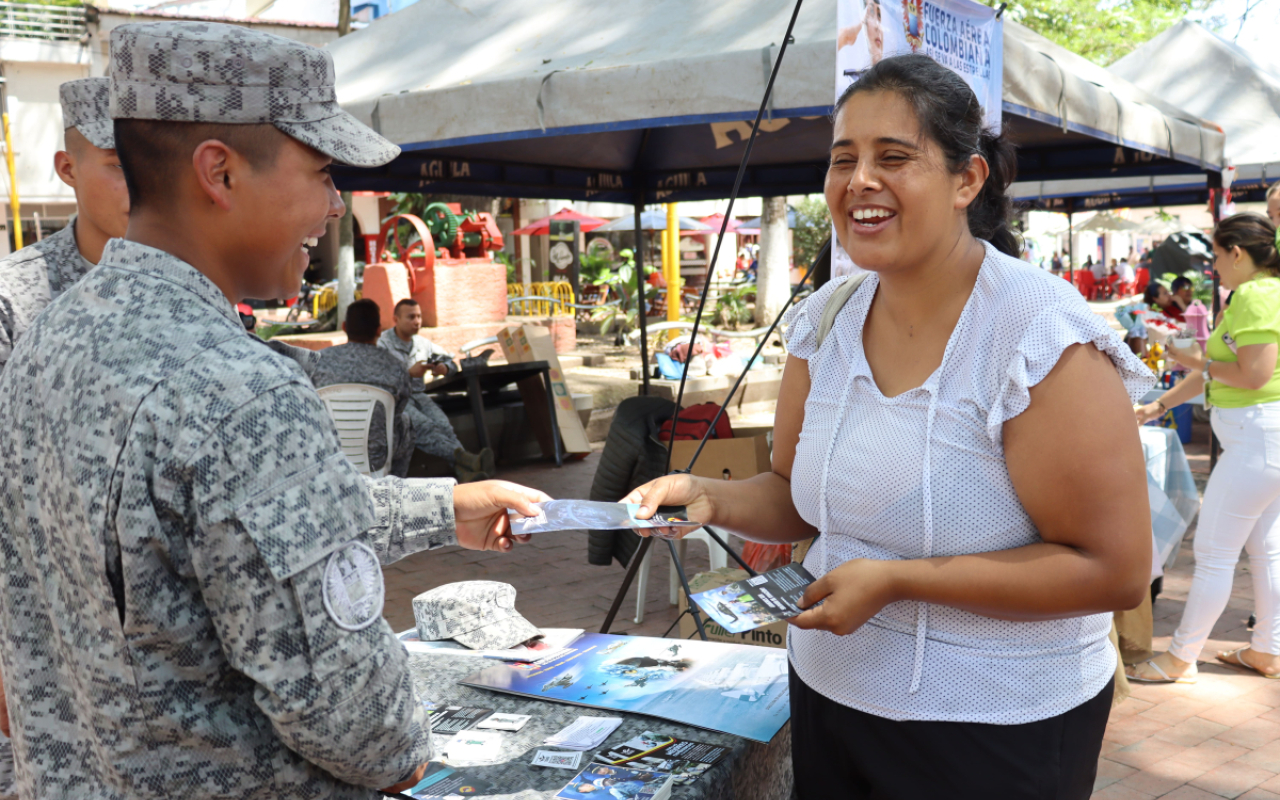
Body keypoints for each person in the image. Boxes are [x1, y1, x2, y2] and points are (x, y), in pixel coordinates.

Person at [0, 22, 551, 799]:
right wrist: (401, 742)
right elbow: (359, 723)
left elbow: (228, 525)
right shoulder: (240, 388)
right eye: (324, 172)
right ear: (218, 173)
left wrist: (441, 505)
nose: (334, 204)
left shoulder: (46, 337)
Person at [628, 54, 1151, 798]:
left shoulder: (1035, 335)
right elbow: (798, 494)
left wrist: (900, 582)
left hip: (993, 728)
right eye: (844, 160)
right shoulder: (828, 320)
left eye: (893, 157)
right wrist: (706, 499)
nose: (859, 182)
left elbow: (1114, 569)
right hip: (831, 702)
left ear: (968, 180)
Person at [1131, 213, 1280, 683]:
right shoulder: (1259, 293)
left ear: (1237, 252)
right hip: (1260, 439)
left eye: (1216, 255)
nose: (1214, 266)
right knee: (1266, 551)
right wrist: (1156, 408)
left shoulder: (1257, 295)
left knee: (1215, 553)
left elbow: (1249, 374)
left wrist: (1183, 355)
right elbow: (1219, 367)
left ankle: (1180, 657)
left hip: (1255, 439)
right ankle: (1268, 650)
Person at [0, 77, 127, 370]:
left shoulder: (199, 278)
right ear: (68, 170)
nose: (143, 183)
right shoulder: (12, 298)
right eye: (119, 165)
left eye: (153, 164)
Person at [378, 297, 494, 478]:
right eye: (410, 317)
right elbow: (378, 378)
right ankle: (469, 461)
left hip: (419, 395)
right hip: (396, 399)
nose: (416, 322)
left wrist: (445, 367)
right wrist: (408, 373)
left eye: (419, 317)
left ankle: (466, 472)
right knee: (425, 426)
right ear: (396, 319)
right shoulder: (382, 344)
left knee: (444, 426)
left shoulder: (422, 343)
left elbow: (450, 359)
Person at [312, 298, 416, 477]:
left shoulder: (316, 362)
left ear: (344, 327)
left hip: (329, 455)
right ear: (378, 330)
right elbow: (398, 411)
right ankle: (395, 483)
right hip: (376, 462)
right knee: (406, 422)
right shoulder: (395, 366)